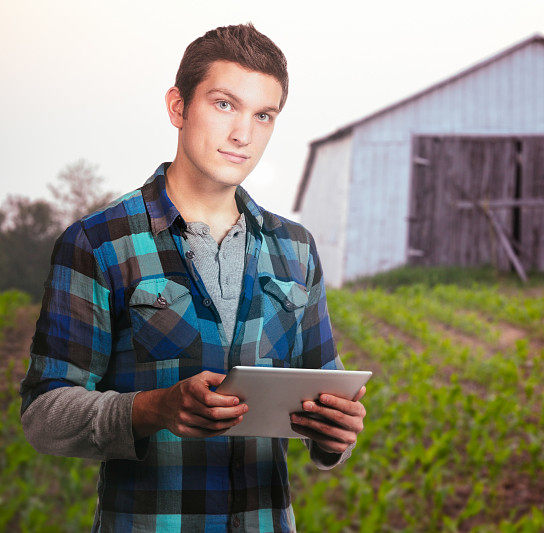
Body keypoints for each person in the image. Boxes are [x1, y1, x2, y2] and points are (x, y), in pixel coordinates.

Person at [18, 22, 366, 532]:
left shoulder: (295, 248)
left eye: (263, 115)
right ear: (178, 107)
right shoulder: (97, 242)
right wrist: (153, 409)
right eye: (225, 104)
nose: (243, 134)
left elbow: (327, 398)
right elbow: (44, 415)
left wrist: (337, 434)